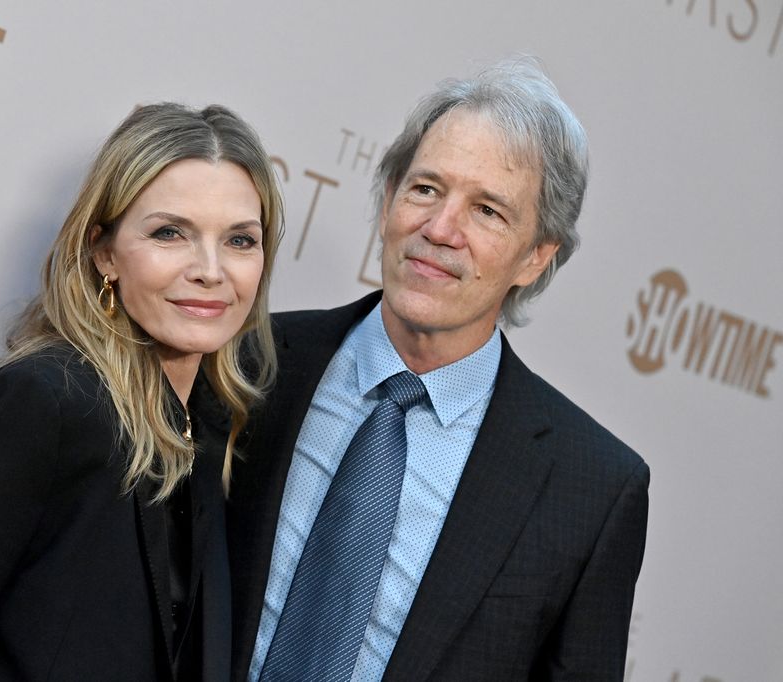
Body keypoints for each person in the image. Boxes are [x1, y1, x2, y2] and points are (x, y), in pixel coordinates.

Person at [229, 57, 650, 681]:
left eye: (488, 211)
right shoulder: (248, 362)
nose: (441, 228)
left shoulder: (591, 488)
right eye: (425, 189)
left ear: (535, 257)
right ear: (388, 202)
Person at [0, 102, 284, 681]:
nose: (210, 269)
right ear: (104, 253)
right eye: (171, 233)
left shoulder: (216, 428)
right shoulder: (42, 404)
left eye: (240, 241)